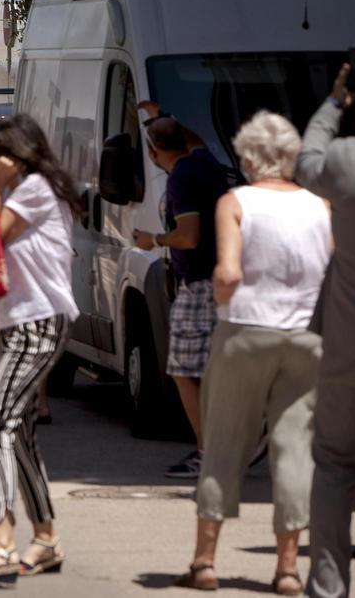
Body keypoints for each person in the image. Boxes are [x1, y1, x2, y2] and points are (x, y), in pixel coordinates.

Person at [177, 112, 330, 595]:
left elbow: (226, 272)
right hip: (308, 336)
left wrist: (226, 303)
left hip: (245, 330)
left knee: (224, 442)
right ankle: (287, 570)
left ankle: (204, 562)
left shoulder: (235, 202)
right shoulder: (321, 206)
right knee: (295, 449)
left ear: (247, 158)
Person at [0, 114, 81, 586]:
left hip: (36, 321)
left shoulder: (35, 190)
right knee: (17, 433)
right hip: (15, 320)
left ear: (19, 154)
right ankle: (44, 538)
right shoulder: (26, 188)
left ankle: (2, 541)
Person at [132, 115, 230, 479]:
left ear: (153, 151)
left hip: (199, 282)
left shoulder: (181, 179)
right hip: (219, 279)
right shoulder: (205, 162)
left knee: (183, 370)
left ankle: (210, 450)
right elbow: (198, 138)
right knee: (209, 368)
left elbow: (188, 236)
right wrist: (161, 118)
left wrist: (153, 240)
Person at [296, 63, 355, 598]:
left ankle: (330, 584)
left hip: (348, 345)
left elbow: (306, 161)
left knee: (335, 462)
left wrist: (334, 103)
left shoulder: (346, 162)